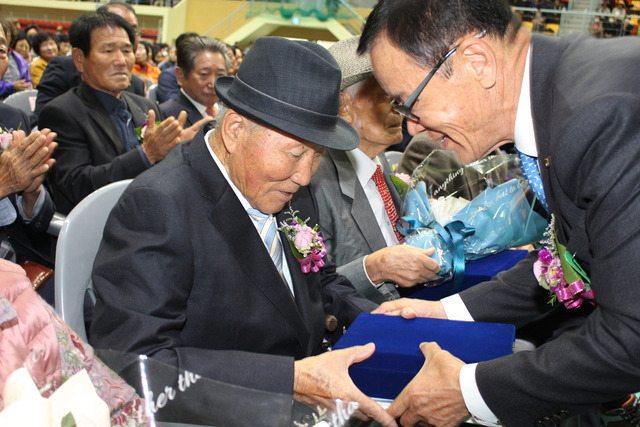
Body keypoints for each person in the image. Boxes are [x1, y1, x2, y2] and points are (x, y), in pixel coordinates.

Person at [358, 0, 640, 425]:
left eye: (407, 102)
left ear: (477, 61)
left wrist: (469, 390)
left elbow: (632, 336)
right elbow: (568, 259)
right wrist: (445, 311)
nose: (411, 128)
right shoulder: (561, 98)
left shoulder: (598, 117)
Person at [89, 36, 394, 427]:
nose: (304, 175)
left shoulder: (282, 185)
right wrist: (290, 380)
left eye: (317, 155)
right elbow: (130, 364)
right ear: (234, 130)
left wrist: (383, 321)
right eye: (296, 153)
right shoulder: (159, 206)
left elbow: (320, 282)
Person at [309, 36, 439, 304]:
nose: (401, 111)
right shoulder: (315, 178)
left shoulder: (379, 161)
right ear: (343, 106)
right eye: (388, 99)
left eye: (401, 99)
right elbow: (312, 288)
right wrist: (374, 269)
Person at [38, 12, 208, 215]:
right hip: (97, 224)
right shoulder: (61, 113)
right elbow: (78, 185)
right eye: (108, 51)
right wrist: (146, 154)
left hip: (152, 214)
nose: (121, 60)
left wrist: (180, 152)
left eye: (127, 50)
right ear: (79, 59)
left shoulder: (146, 107)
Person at [0, 24, 57, 305]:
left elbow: (40, 224)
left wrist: (31, 194)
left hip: (26, 263)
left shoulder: (14, 117)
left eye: (0, 49)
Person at [33, 1, 146, 121]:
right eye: (108, 50)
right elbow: (43, 122)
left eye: (132, 30)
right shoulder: (63, 68)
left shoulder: (136, 84)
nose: (123, 34)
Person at [159, 37, 228, 128]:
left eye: (220, 75)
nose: (213, 84)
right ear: (180, 75)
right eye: (204, 74)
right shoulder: (164, 116)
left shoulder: (230, 112)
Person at [155, 31, 199, 103]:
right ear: (177, 53)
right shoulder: (168, 76)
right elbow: (173, 104)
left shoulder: (207, 75)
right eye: (190, 50)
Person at [0, 19, 31, 99]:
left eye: (7, 33)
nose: (5, 36)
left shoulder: (18, 58)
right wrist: (12, 86)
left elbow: (27, 79)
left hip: (16, 101)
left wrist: (25, 86)